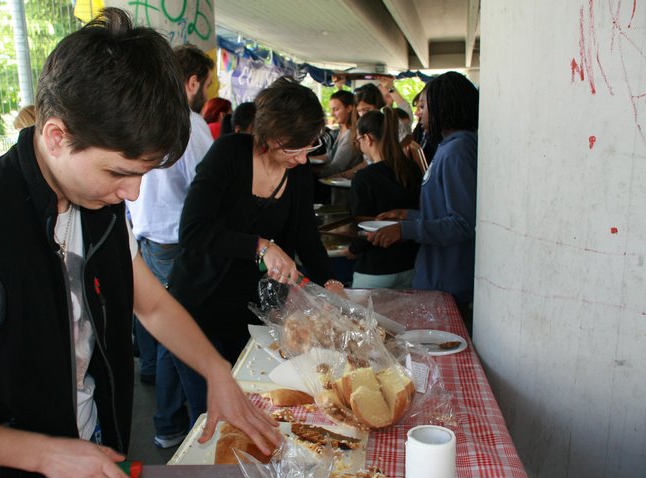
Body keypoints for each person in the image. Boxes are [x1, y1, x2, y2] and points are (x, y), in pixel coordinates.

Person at [0, 9, 279, 478]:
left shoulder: (99, 205)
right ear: (55, 135)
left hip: (83, 473)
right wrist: (45, 454)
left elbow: (152, 303)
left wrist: (215, 371)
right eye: (119, 172)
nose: (132, 193)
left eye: (141, 174)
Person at [164, 77, 345, 426]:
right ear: (273, 139)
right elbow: (192, 230)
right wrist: (260, 246)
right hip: (200, 305)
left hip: (254, 315)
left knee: (256, 405)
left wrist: (330, 283)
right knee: (209, 414)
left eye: (309, 148)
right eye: (296, 149)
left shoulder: (298, 174)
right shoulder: (229, 154)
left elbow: (307, 235)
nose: (304, 159)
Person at [126, 44, 215, 449]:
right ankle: (177, 422)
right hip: (174, 241)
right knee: (176, 330)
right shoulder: (189, 123)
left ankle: (167, 423)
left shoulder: (146, 117)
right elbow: (206, 187)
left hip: (146, 234)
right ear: (192, 81)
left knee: (163, 328)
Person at [368, 71, 478, 324]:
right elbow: (444, 213)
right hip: (437, 277)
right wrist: (408, 215)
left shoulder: (457, 152)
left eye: (424, 106)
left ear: (443, 108)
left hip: (447, 280)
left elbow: (461, 223)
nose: (418, 113)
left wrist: (405, 230)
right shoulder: (450, 147)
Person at [349, 107, 421, 289]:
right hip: (410, 264)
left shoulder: (364, 177)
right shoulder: (411, 169)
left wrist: (352, 249)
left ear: (367, 138)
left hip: (375, 268)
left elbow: (361, 225)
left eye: (358, 139)